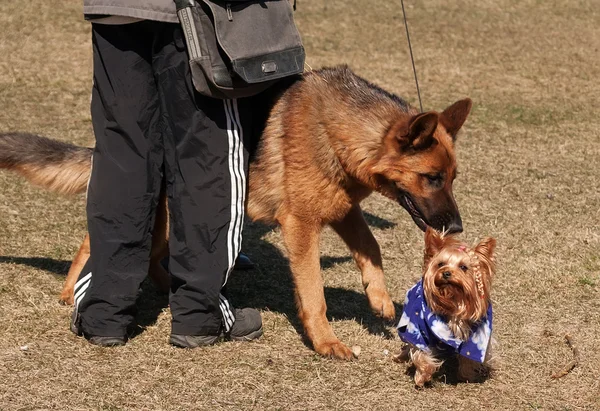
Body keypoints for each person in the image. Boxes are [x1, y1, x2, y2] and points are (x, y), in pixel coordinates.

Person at [70, 1, 264, 348]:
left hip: (118, 7)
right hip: (197, 11)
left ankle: (104, 313)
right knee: (208, 151)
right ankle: (199, 314)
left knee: (122, 152)